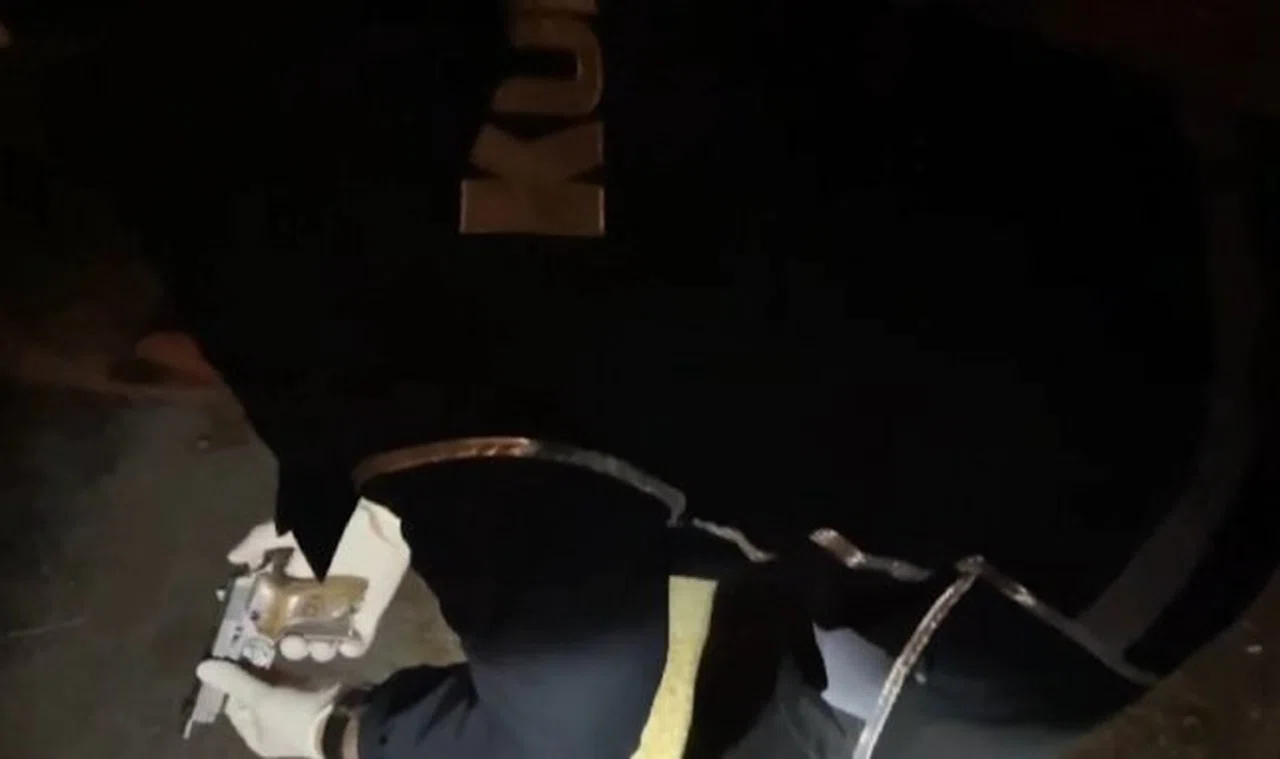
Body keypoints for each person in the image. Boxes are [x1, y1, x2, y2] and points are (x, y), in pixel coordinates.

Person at [17, 0, 1277, 756]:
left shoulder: (426, 391)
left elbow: (577, 729)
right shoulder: (301, 54)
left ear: (164, 355)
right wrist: (378, 506)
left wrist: (354, 733)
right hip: (1169, 173)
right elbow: (534, 262)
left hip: (1167, 472)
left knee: (798, 741)